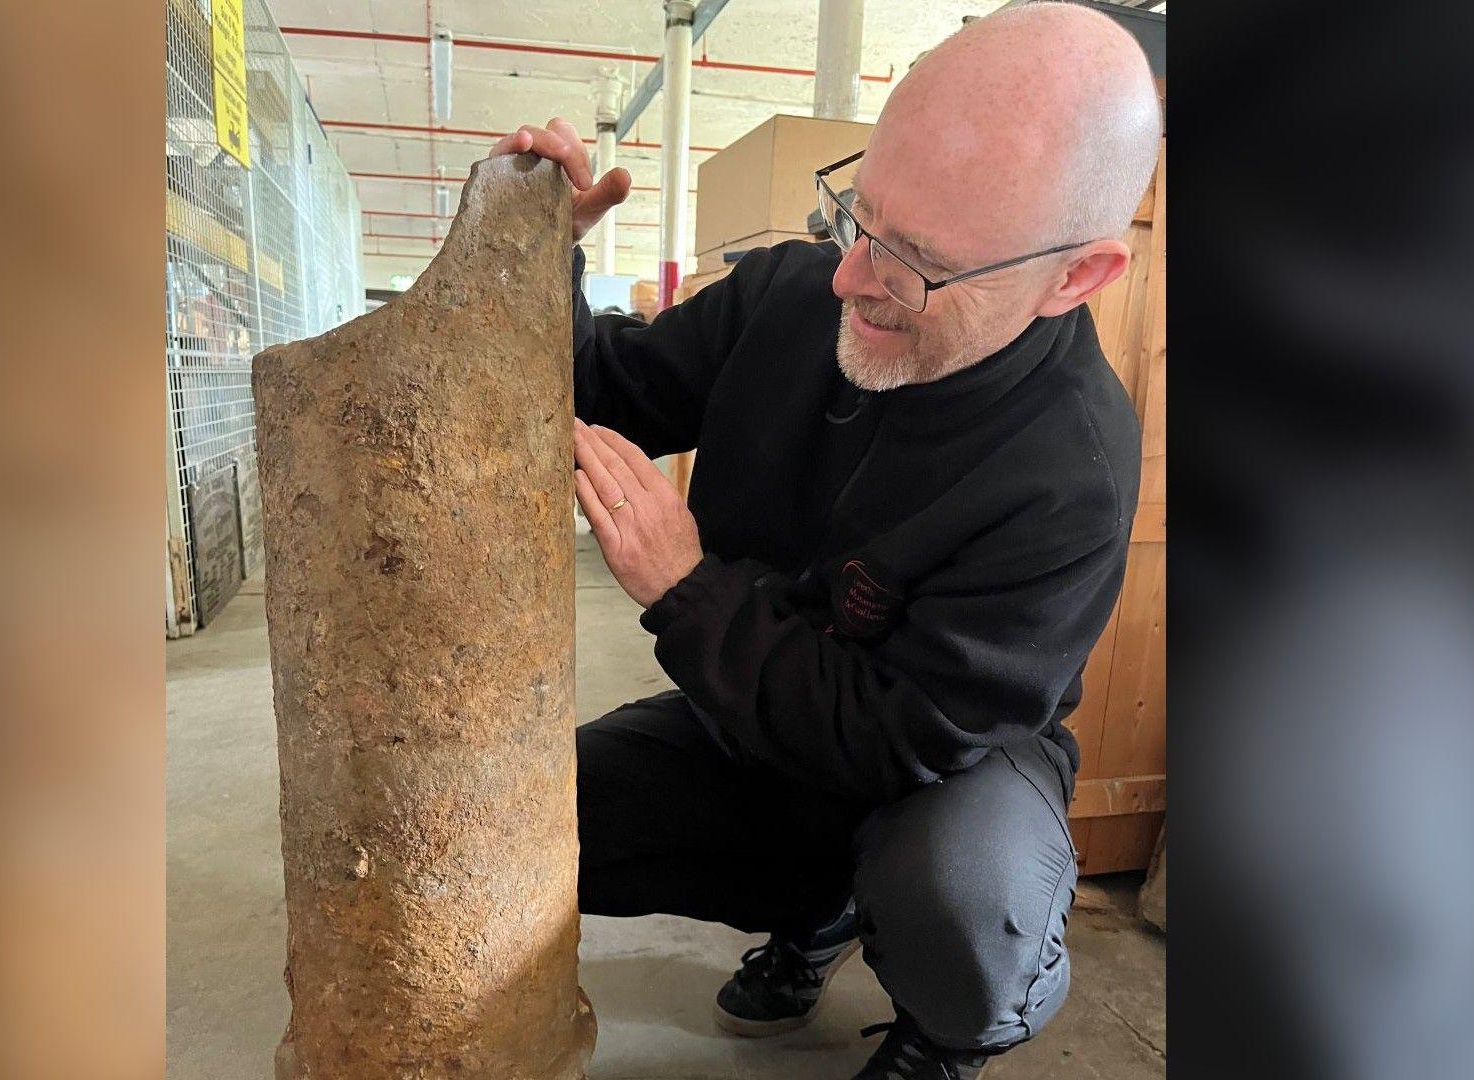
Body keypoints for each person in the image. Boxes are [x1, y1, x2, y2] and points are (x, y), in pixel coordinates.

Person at [490, 4, 1160, 1076]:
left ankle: (947, 1025)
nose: (849, 277)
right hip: (753, 708)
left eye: (919, 263)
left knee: (961, 899)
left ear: (1074, 277)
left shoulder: (1070, 472)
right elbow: (601, 389)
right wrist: (535, 259)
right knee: (528, 828)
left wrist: (683, 586)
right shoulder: (794, 299)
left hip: (935, 772)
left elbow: (899, 735)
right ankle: (817, 915)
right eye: (859, 216)